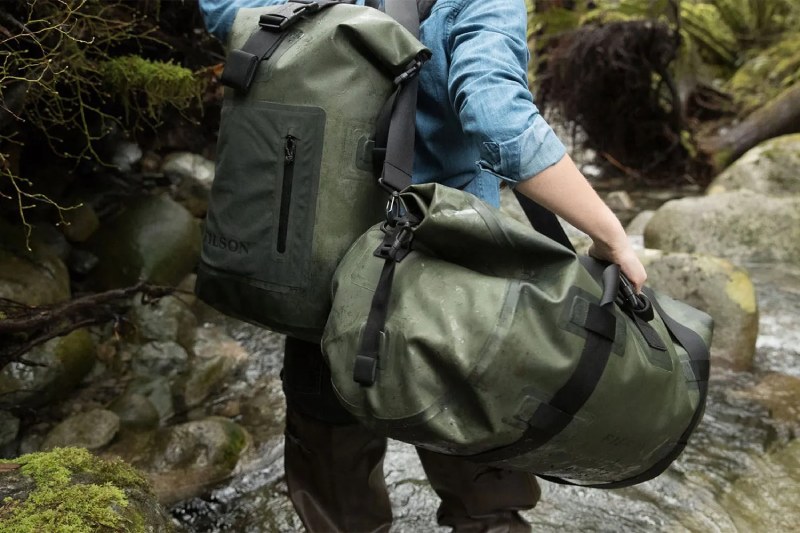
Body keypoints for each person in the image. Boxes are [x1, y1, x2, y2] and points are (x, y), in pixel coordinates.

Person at [198, 0, 648, 531]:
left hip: (320, 266)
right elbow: (497, 116)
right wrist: (609, 234)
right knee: (485, 491)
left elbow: (227, 13)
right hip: (453, 278)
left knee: (335, 496)